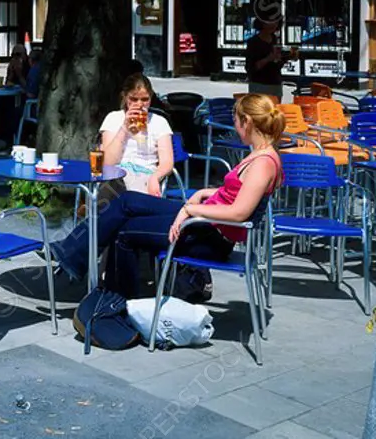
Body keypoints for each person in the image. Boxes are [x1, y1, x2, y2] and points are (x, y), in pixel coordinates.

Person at [51, 94, 285, 300]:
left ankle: (119, 300)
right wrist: (205, 192)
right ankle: (72, 254)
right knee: (128, 200)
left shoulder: (263, 164)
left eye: (236, 120)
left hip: (210, 237)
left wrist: (191, 210)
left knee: (124, 231)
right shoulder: (261, 156)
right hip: (205, 224)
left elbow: (239, 212)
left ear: (248, 122)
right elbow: (240, 193)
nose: (234, 126)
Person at [99, 73, 174, 196]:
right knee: (113, 184)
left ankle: (93, 209)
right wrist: (124, 128)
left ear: (150, 98)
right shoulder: (113, 118)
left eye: (145, 99)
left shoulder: (159, 122)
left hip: (146, 174)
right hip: (117, 174)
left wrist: (155, 178)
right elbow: (108, 162)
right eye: (134, 99)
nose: (139, 104)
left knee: (132, 193)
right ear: (125, 97)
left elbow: (167, 162)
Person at [245, 18, 291, 100]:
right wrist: (267, 59)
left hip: (275, 84)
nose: (273, 25)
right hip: (259, 85)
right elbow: (250, 68)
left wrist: (288, 57)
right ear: (261, 23)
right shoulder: (253, 42)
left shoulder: (275, 39)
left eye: (276, 22)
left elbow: (277, 65)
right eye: (270, 22)